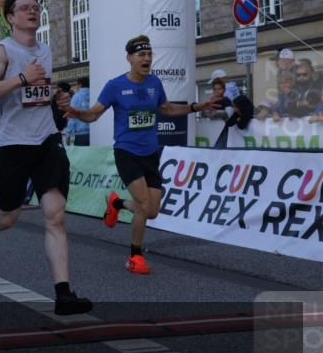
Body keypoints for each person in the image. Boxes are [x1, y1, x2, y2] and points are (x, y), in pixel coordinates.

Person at [0, 0, 92, 315]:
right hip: (13, 145)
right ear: (10, 18)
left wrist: (57, 99)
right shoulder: (3, 51)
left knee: (56, 216)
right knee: (8, 217)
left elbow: (39, 94)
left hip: (47, 141)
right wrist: (22, 78)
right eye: (24, 8)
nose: (32, 12)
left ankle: (63, 294)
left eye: (36, 8)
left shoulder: (46, 50)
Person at [66, 35, 217, 274]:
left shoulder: (154, 83)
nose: (147, 59)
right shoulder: (115, 86)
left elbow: (166, 109)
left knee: (152, 210)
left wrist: (195, 107)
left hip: (150, 153)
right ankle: (134, 257)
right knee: (144, 204)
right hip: (126, 151)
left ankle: (115, 203)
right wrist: (77, 113)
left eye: (149, 55)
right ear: (129, 59)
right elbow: (94, 114)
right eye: (141, 55)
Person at [64, 77, 90, 146]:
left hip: (81, 134)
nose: (76, 87)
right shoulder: (95, 94)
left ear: (80, 85)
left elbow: (72, 116)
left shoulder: (76, 97)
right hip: (96, 134)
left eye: (76, 85)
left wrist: (68, 134)